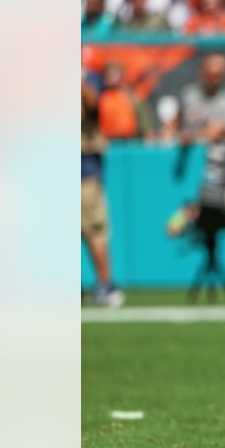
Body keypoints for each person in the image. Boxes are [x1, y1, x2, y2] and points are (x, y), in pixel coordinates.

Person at [82, 57, 125, 307]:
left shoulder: (91, 77)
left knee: (93, 228)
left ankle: (106, 285)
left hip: (83, 164)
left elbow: (94, 104)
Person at [164, 53, 225, 142]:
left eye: (217, 76)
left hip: (210, 151)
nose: (214, 81)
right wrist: (168, 131)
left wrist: (190, 137)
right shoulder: (189, 93)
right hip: (184, 149)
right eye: (210, 76)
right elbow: (176, 120)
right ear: (202, 72)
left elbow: (214, 131)